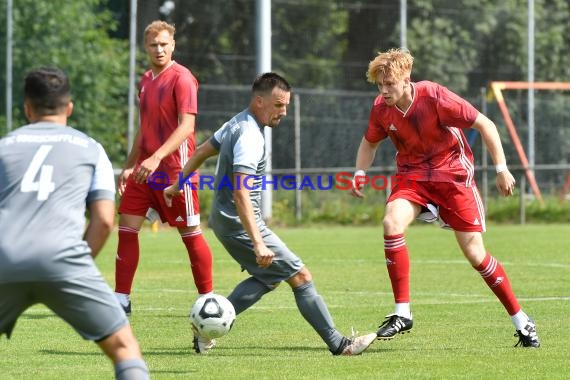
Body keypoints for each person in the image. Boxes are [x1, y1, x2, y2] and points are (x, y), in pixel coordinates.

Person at [164, 72, 377, 355]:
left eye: (286, 105)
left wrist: (176, 185)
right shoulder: (250, 136)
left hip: (225, 220)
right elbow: (241, 193)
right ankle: (340, 345)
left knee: (268, 277)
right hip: (239, 222)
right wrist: (258, 241)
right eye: (278, 105)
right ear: (259, 101)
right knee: (301, 277)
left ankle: (205, 331)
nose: (283, 112)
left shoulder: (236, 122)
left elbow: (202, 150)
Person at [350, 48, 540, 348]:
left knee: (476, 255)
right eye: (379, 85)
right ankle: (402, 312)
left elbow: (486, 124)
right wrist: (360, 172)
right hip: (413, 177)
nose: (384, 91)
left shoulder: (435, 97)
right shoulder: (381, 108)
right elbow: (369, 143)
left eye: (390, 84)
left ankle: (522, 321)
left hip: (452, 178)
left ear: (406, 79)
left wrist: (502, 169)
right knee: (391, 223)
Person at [0, 67, 150, 379]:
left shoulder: (4, 147)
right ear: (69, 107)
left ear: (27, 108)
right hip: (65, 260)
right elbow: (105, 220)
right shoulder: (91, 149)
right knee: (124, 348)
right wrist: (73, 265)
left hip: (5, 259)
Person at [115, 20, 214, 314]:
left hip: (176, 172)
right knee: (126, 228)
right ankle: (121, 299)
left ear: (173, 45)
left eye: (164, 44)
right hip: (145, 172)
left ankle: (208, 301)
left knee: (191, 235)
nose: (159, 49)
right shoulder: (145, 80)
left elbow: (188, 127)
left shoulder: (183, 78)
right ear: (145, 48)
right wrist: (130, 165)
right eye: (153, 45)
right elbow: (144, 128)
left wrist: (156, 157)